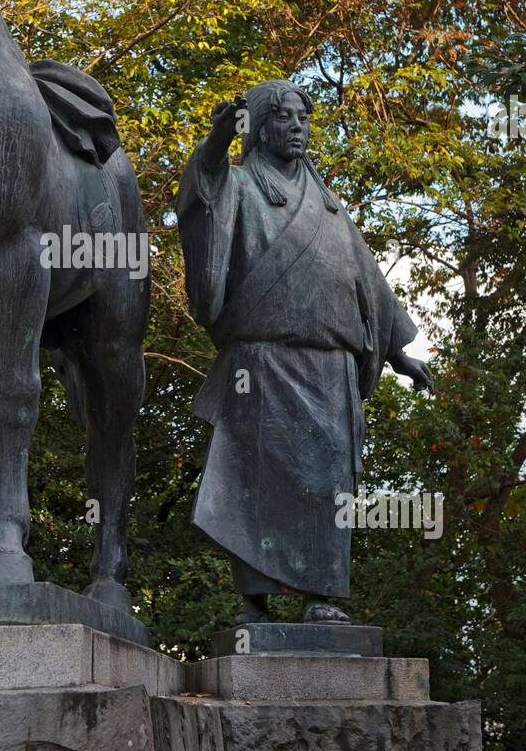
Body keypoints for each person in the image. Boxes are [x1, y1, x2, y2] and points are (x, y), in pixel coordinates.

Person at [177, 80, 433, 624]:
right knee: (252, 482)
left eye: (303, 118)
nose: (297, 127)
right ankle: (253, 602)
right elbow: (202, 190)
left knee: (327, 486)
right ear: (262, 128)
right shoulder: (242, 185)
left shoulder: (330, 207)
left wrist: (396, 351)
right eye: (284, 118)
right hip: (262, 365)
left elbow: (368, 281)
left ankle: (321, 597)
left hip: (329, 369)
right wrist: (216, 143)